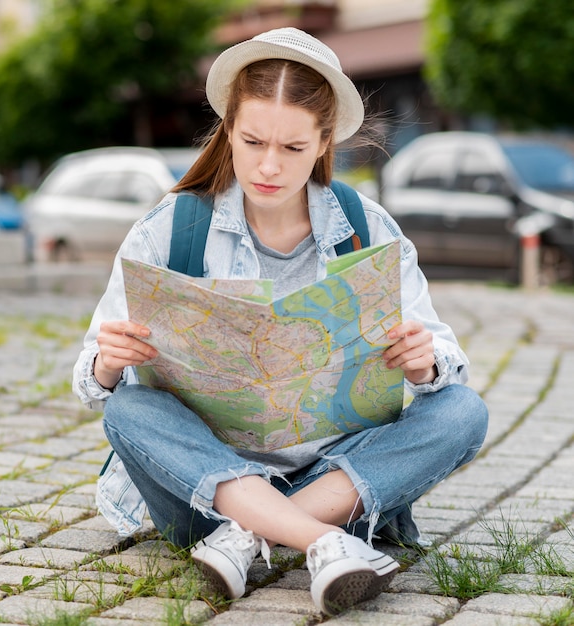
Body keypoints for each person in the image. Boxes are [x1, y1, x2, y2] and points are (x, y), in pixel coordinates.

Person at [73, 27, 488, 616]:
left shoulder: (365, 228)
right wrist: (108, 364)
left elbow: (443, 360)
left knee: (463, 411)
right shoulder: (170, 229)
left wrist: (425, 364)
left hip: (335, 472)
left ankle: (250, 535)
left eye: (293, 148)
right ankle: (322, 541)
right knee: (129, 408)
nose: (269, 165)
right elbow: (90, 384)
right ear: (228, 132)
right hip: (205, 485)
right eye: (252, 141)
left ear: (323, 145)